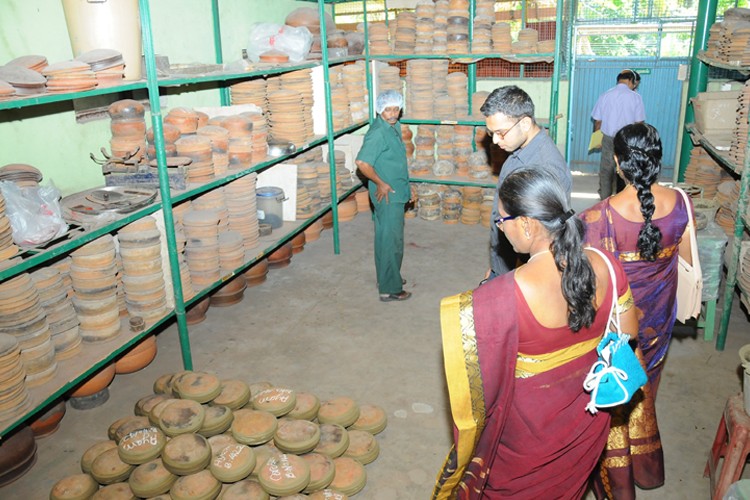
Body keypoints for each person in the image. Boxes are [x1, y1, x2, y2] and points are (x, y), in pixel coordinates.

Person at [434, 167, 638, 499]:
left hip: (528, 440)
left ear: (527, 224)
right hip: (587, 423)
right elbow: (628, 334)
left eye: (502, 221)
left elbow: (477, 396)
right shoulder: (607, 265)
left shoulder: (499, 297)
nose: (500, 230)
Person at [581, 123, 692, 498]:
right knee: (645, 389)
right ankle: (645, 466)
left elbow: (589, 287)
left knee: (614, 392)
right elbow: (688, 262)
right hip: (659, 322)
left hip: (616, 329)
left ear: (616, 162)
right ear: (658, 160)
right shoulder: (682, 204)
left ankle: (616, 475)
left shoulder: (598, 217)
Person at [480, 85, 572, 278]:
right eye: (491, 133)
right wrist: (498, 268)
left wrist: (514, 274)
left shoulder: (545, 168)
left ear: (524, 124)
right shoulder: (519, 151)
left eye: (501, 132)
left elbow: (542, 239)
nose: (495, 141)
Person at [355, 90, 415, 302]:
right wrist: (381, 183)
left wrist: (408, 186)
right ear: (380, 110)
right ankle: (391, 289)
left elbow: (396, 162)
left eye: (396, 108)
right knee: (392, 241)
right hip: (388, 195)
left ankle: (387, 277)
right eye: (388, 109)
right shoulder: (378, 132)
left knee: (384, 237)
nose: (393, 113)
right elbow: (362, 163)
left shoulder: (393, 127)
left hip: (397, 190)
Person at [592, 69, 646, 199]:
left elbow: (598, 121)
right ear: (630, 81)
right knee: (626, 169)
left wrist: (596, 139)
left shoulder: (605, 95)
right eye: (634, 84)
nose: (634, 87)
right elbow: (640, 123)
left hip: (608, 138)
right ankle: (622, 199)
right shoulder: (636, 97)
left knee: (606, 170)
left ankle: (605, 200)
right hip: (627, 140)